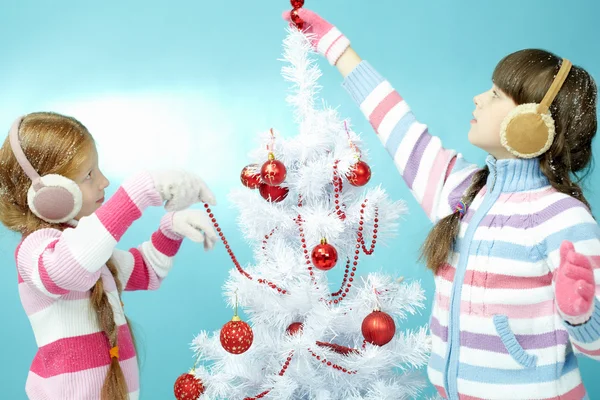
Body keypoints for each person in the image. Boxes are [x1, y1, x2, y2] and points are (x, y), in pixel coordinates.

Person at [283, 9, 599, 400]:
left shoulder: (564, 218)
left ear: (530, 123)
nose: (479, 99)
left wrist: (580, 315)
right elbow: (397, 125)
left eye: (497, 95)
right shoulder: (460, 188)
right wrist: (336, 47)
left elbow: (596, 346)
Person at [0, 112, 219, 399]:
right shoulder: (36, 251)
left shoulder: (88, 251)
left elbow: (146, 271)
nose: (103, 181)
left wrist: (170, 230)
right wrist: (139, 192)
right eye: (89, 174)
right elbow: (70, 269)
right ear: (51, 193)